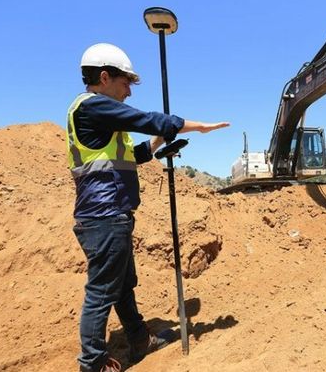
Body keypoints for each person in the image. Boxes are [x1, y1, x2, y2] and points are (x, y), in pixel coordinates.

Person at [67, 42, 229, 372]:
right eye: (125, 82)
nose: (129, 91)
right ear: (104, 77)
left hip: (112, 216)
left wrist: (159, 143)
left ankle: (140, 340)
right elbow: (146, 119)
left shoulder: (102, 120)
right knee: (101, 292)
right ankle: (93, 364)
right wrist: (196, 126)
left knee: (123, 286)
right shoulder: (92, 107)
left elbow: (135, 155)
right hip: (104, 216)